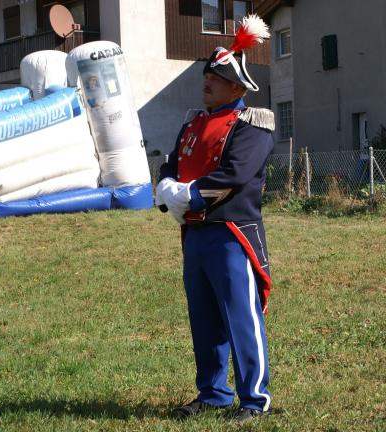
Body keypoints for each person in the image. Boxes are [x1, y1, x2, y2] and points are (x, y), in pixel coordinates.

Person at [156, 15, 275, 424]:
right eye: (207, 75)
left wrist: (188, 194)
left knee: (240, 317)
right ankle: (213, 394)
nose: (207, 81)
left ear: (237, 88)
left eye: (217, 77)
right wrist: (165, 187)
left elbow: (234, 175)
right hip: (195, 234)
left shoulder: (251, 125)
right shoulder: (193, 123)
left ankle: (254, 399)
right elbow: (173, 163)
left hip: (230, 233)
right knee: (204, 319)